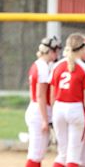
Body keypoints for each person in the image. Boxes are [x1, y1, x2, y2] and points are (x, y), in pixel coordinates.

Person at [49, 33, 85, 167]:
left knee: (62, 154)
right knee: (73, 156)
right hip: (76, 110)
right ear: (81, 49)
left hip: (58, 108)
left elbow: (52, 96)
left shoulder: (57, 66)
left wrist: (54, 114)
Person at [25, 36, 62, 167]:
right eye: (56, 50)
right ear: (50, 51)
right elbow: (40, 95)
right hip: (39, 112)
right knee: (36, 153)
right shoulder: (42, 67)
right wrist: (45, 120)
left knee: (38, 153)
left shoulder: (38, 64)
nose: (57, 53)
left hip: (36, 109)